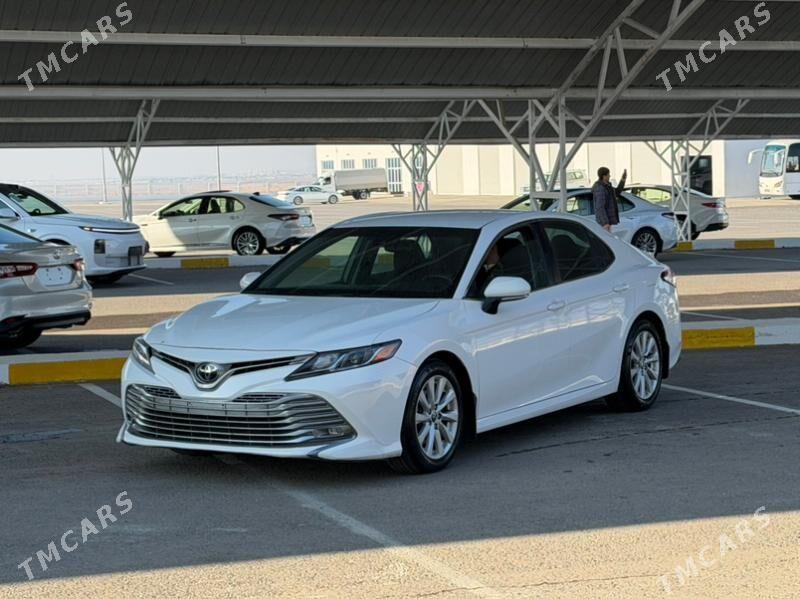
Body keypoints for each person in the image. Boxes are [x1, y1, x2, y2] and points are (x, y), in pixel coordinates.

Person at [592, 167, 627, 232]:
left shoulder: (607, 187)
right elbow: (600, 207)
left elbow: (617, 192)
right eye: (608, 174)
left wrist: (623, 180)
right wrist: (605, 223)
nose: (610, 176)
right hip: (604, 224)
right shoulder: (600, 188)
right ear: (604, 176)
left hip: (608, 222)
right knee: (604, 238)